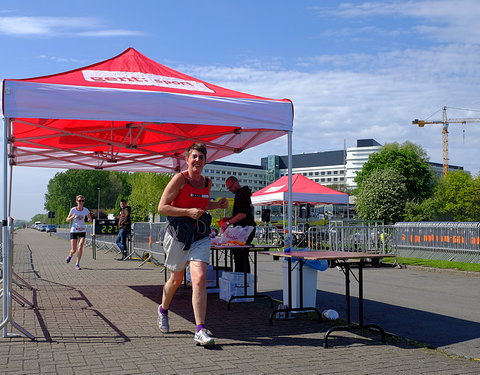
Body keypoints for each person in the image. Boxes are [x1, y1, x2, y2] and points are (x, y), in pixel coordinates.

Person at [157, 143, 228, 346]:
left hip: (200, 235)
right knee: (176, 279)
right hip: (178, 234)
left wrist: (217, 204)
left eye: (201, 158)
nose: (197, 160)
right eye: (194, 157)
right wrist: (187, 212)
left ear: (205, 161)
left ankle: (199, 329)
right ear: (187, 160)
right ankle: (163, 309)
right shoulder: (180, 179)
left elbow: (202, 205)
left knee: (199, 279)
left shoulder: (207, 182)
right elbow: (162, 207)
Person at [220, 176, 256, 273]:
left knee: (240, 256)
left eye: (230, 187)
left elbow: (242, 215)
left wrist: (228, 222)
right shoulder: (242, 194)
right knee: (240, 256)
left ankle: (242, 279)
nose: (230, 190)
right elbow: (241, 214)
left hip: (246, 229)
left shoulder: (242, 194)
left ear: (236, 183)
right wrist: (229, 219)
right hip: (245, 229)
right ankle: (242, 278)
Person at [65, 195, 92, 270]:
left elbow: (90, 218)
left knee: (80, 247)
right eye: (80, 201)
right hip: (74, 230)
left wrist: (89, 219)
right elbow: (67, 219)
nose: (81, 202)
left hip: (82, 230)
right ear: (77, 201)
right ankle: (70, 255)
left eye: (82, 201)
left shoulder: (85, 210)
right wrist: (72, 217)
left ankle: (77, 264)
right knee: (74, 250)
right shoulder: (73, 210)